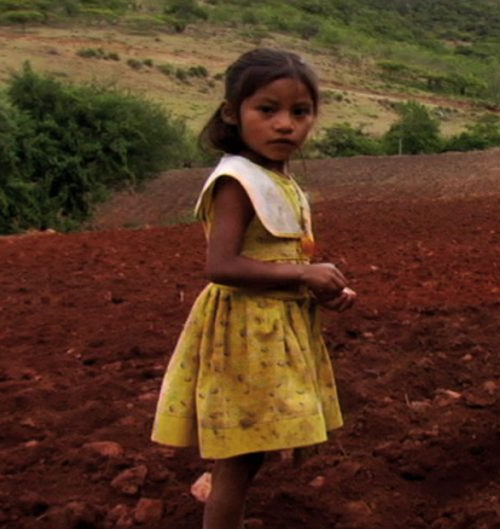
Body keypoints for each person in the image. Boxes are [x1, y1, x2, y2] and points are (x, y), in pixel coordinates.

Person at [151, 48, 357, 528]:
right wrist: (304, 275)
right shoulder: (236, 181)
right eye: (268, 110)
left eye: (300, 112)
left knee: (252, 451)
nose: (285, 124)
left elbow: (280, 256)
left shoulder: (276, 178)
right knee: (241, 457)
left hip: (272, 330)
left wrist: (322, 289)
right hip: (246, 334)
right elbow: (220, 265)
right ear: (232, 113)